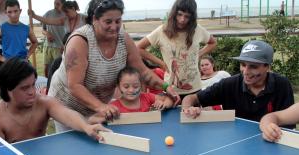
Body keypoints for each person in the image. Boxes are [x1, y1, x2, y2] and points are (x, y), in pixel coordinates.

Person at [48, 0, 180, 132]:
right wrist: (101, 107)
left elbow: (143, 72)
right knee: (73, 147)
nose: (114, 26)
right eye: (108, 22)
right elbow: (75, 85)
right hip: (68, 108)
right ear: (95, 19)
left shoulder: (124, 39)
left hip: (98, 108)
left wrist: (165, 86)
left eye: (118, 21)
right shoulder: (80, 41)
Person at [0, 57, 110, 143]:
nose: (32, 92)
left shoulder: (44, 103)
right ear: (8, 89)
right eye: (24, 88)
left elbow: (67, 114)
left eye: (33, 85)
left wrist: (86, 127)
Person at [182, 40, 294, 123]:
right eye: (243, 65)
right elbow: (191, 98)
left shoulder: (282, 85)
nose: (245, 71)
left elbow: (288, 124)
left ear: (267, 67)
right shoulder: (228, 84)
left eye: (253, 67)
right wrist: (188, 109)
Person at [136, 0, 216, 97]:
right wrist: (161, 64)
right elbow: (138, 48)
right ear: (174, 13)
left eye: (187, 16)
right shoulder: (162, 31)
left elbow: (213, 42)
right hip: (171, 90)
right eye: (180, 14)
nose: (182, 19)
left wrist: (198, 54)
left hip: (195, 89)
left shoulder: (197, 30)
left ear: (192, 17)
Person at [0, 0, 38, 106]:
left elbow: (35, 42)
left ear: (20, 11)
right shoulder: (1, 28)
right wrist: (1, 58)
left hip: (23, 62)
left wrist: (28, 54)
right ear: (6, 12)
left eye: (15, 11)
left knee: (28, 82)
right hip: (8, 63)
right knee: (1, 82)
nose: (13, 14)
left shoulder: (26, 28)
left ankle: (28, 104)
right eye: (9, 12)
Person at [42, 0, 66, 77]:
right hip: (47, 46)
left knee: (58, 69)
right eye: (54, 3)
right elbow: (43, 30)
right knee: (46, 68)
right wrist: (47, 34)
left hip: (59, 47)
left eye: (58, 4)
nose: (55, 6)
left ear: (63, 4)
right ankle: (47, 85)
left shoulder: (66, 15)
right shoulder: (47, 14)